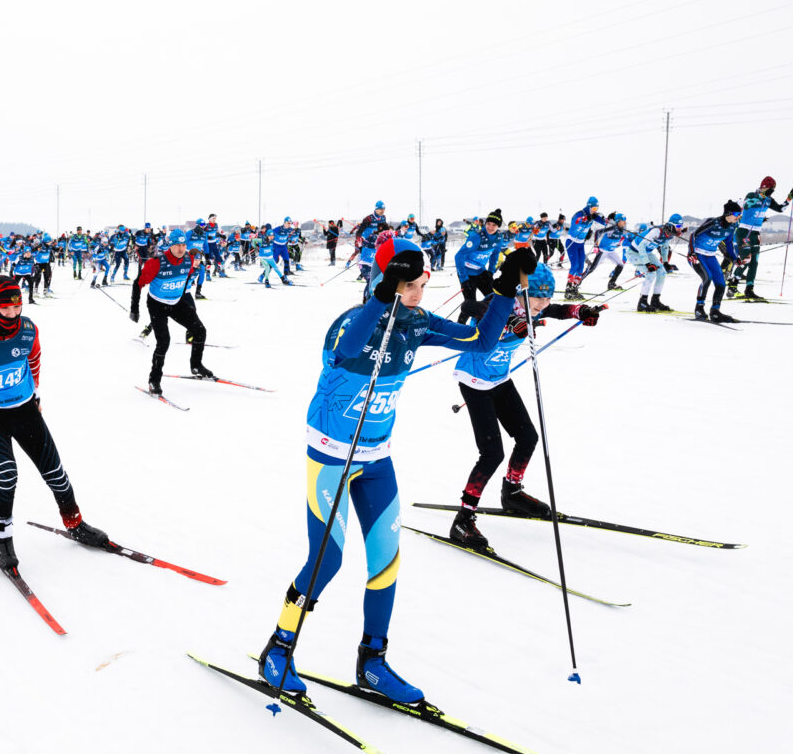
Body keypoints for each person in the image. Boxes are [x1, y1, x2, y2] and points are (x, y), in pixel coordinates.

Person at [256, 243, 534, 702]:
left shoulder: (418, 323)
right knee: (327, 560)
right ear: (385, 282)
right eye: (408, 285)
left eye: (421, 284)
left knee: (386, 560)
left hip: (376, 458)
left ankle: (373, 662)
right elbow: (344, 352)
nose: (417, 294)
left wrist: (505, 288)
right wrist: (383, 296)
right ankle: (279, 648)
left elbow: (481, 341)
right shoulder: (353, 320)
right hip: (332, 456)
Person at [0, 276, 109, 570]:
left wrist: (35, 393)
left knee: (55, 471)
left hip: (24, 410)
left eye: (17, 307)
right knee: (7, 477)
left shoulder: (28, 330)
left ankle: (75, 524)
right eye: (6, 308)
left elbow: (34, 359)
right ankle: (2, 539)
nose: (13, 314)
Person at [446, 262, 603, 549]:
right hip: (473, 382)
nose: (543, 303)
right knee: (492, 453)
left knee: (528, 437)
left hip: (499, 379)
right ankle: (463, 519)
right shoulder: (498, 304)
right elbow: (473, 307)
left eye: (547, 297)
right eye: (538, 297)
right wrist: (509, 322)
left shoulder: (532, 307)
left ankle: (512, 493)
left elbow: (557, 310)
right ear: (519, 293)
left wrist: (580, 311)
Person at [131, 229, 213, 395]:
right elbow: (137, 283)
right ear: (170, 245)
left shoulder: (189, 260)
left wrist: (184, 299)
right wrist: (134, 309)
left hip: (176, 302)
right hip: (157, 305)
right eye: (178, 245)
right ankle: (154, 380)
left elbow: (185, 279)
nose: (181, 249)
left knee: (200, 330)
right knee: (164, 341)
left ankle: (196, 366)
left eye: (184, 245)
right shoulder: (156, 263)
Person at [731, 177, 793, 300]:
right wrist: (762, 196)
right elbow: (747, 205)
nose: (771, 191)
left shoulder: (769, 199)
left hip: (756, 234)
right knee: (746, 259)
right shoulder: (751, 195)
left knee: (754, 263)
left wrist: (789, 198)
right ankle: (732, 285)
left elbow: (780, 209)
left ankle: (749, 289)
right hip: (744, 232)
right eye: (770, 189)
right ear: (763, 187)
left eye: (773, 190)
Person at [688, 202, 742, 322]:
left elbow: (728, 243)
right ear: (728, 213)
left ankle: (715, 311)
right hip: (697, 255)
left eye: (740, 214)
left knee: (721, 282)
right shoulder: (714, 222)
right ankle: (699, 308)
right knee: (707, 278)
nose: (738, 216)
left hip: (710, 255)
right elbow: (693, 235)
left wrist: (735, 258)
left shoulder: (733, 225)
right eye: (736, 214)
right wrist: (692, 253)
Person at [454, 210, 504, 322]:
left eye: (494, 225)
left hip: (480, 271)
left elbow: (495, 255)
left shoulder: (499, 238)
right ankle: (460, 326)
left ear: (498, 226)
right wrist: (464, 279)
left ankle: (487, 324)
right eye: (488, 224)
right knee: (470, 304)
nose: (490, 227)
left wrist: (490, 272)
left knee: (493, 298)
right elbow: (459, 256)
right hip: (467, 273)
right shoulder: (476, 237)